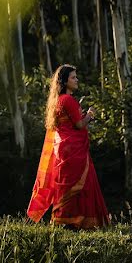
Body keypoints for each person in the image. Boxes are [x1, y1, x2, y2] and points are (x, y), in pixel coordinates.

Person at [27, 64, 110, 229]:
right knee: (82, 184)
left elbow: (68, 124)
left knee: (67, 185)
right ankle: (82, 222)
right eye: (73, 77)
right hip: (74, 150)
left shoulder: (58, 100)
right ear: (64, 81)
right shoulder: (68, 100)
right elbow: (79, 125)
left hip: (63, 150)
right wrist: (90, 115)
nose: (76, 79)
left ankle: (65, 221)